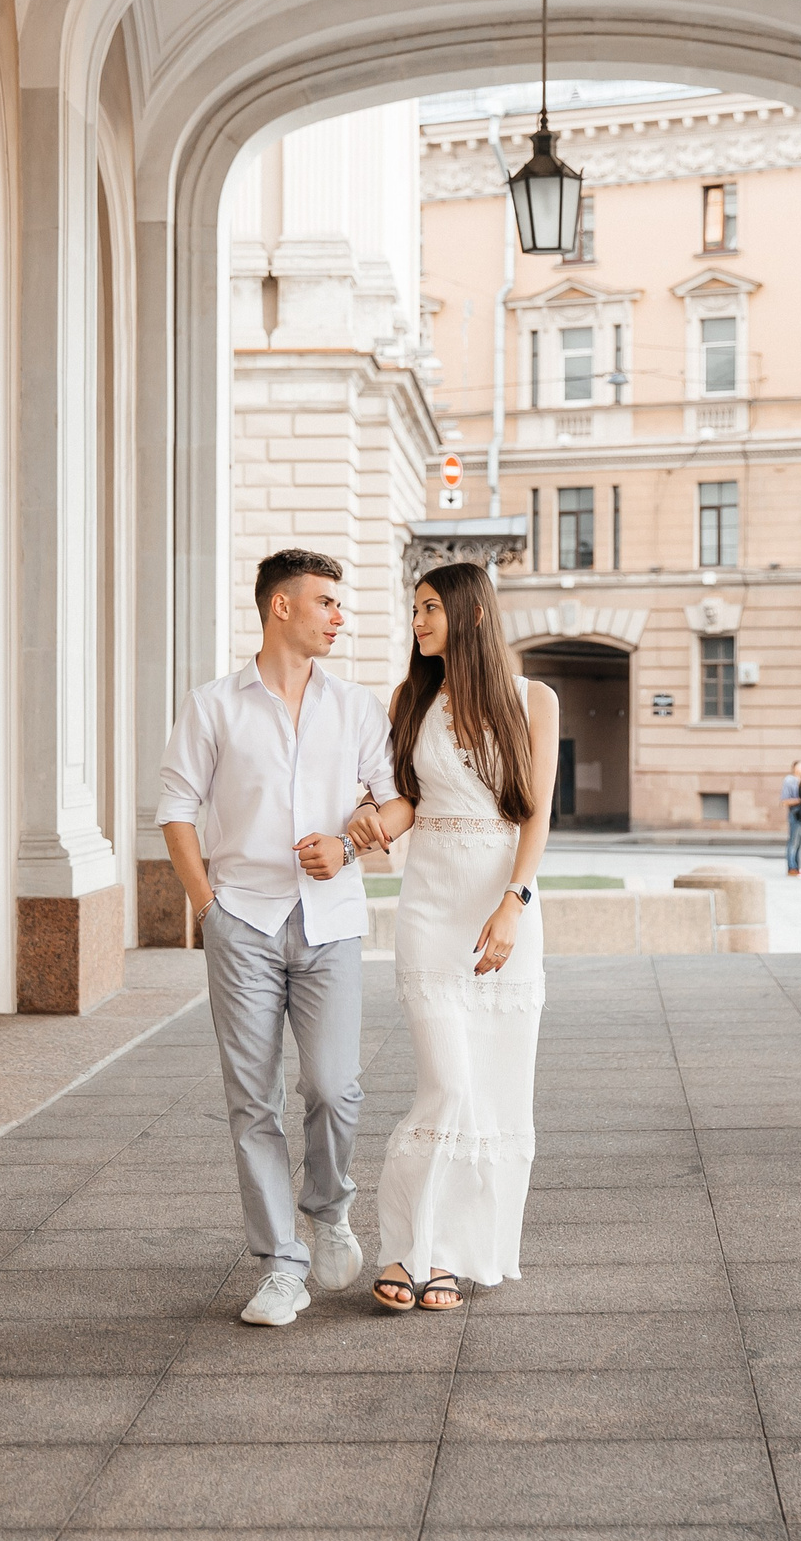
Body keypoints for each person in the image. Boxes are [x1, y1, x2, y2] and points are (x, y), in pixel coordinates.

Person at [158, 548, 410, 1327]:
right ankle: (280, 1264)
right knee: (252, 1100)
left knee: (334, 1086)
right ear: (282, 606)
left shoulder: (356, 706)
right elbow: (175, 809)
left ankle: (328, 1209)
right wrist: (208, 907)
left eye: (339, 603)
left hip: (330, 921)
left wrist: (351, 845)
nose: (339, 616)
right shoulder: (213, 706)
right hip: (243, 921)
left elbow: (398, 802)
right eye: (326, 601)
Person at [347, 562, 559, 1312]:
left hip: (503, 909)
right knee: (449, 1084)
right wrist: (369, 821)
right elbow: (405, 801)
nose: (417, 621)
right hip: (431, 912)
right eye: (414, 609)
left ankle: (450, 1255)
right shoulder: (409, 698)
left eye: (430, 607)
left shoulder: (534, 700)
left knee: (495, 1090)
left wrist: (513, 905)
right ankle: (406, 1247)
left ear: (472, 612)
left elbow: (536, 813)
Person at [783, 759, 801, 875]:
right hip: (795, 813)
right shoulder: (789, 780)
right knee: (794, 841)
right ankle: (792, 867)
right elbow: (784, 801)